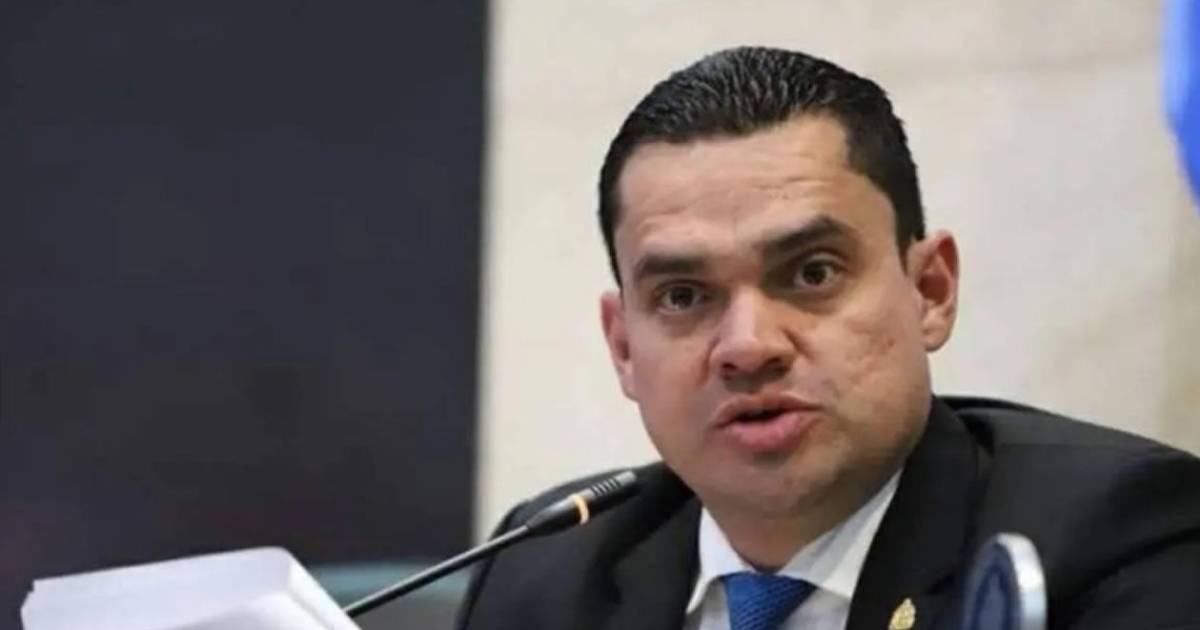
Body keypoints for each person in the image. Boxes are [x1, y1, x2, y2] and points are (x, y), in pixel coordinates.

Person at [457, 47, 1200, 630]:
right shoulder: (545, 568)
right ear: (623, 347)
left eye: (811, 273)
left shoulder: (1123, 535)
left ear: (930, 290)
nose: (749, 345)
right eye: (683, 296)